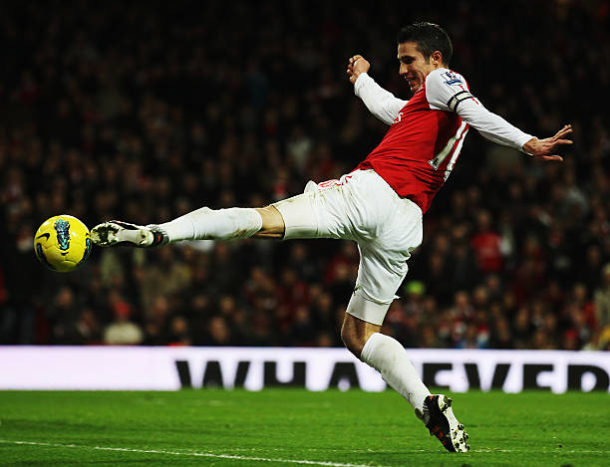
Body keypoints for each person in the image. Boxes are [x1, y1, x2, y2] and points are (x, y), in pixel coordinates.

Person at [91, 22, 572, 452]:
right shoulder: (422, 110)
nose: (403, 67)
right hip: (406, 222)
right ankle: (427, 403)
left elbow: (477, 110)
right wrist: (362, 77)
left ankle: (155, 234)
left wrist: (527, 142)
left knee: (260, 219)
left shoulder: (448, 82)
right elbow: (390, 107)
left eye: (409, 59)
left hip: (375, 190)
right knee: (359, 334)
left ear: (437, 58)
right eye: (400, 60)